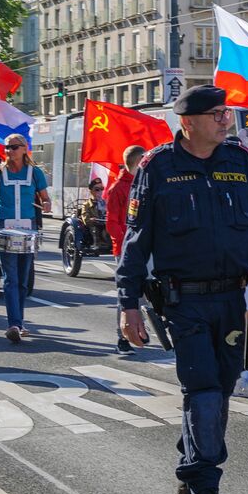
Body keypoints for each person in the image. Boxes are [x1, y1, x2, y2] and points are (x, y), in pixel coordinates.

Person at [116, 84, 248, 494]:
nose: (225, 121)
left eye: (226, 113)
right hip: (183, 301)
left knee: (219, 390)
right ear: (187, 122)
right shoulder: (158, 166)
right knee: (203, 389)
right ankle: (207, 491)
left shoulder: (240, 161)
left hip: (232, 300)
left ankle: (189, 482)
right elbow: (136, 239)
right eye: (216, 115)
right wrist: (127, 303)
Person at [0, 133, 51, 344]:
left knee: (23, 281)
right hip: (5, 228)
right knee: (11, 279)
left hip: (29, 229)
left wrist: (46, 204)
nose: (9, 151)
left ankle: (19, 322)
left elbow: (46, 199)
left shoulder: (35, 173)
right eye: (7, 147)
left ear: (24, 148)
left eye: (14, 147)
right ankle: (14, 324)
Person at [105, 146, 146, 355]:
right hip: (126, 249)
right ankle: (123, 339)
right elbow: (112, 222)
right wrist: (127, 245)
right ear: (137, 162)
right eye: (144, 160)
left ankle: (141, 329)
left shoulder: (146, 184)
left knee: (148, 294)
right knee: (128, 295)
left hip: (146, 248)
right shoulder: (118, 188)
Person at [80, 177, 108, 250]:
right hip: (94, 225)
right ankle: (96, 244)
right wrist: (91, 219)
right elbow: (85, 218)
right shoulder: (86, 204)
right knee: (95, 228)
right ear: (91, 191)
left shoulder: (105, 203)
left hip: (105, 223)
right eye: (97, 189)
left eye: (102, 189)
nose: (100, 191)